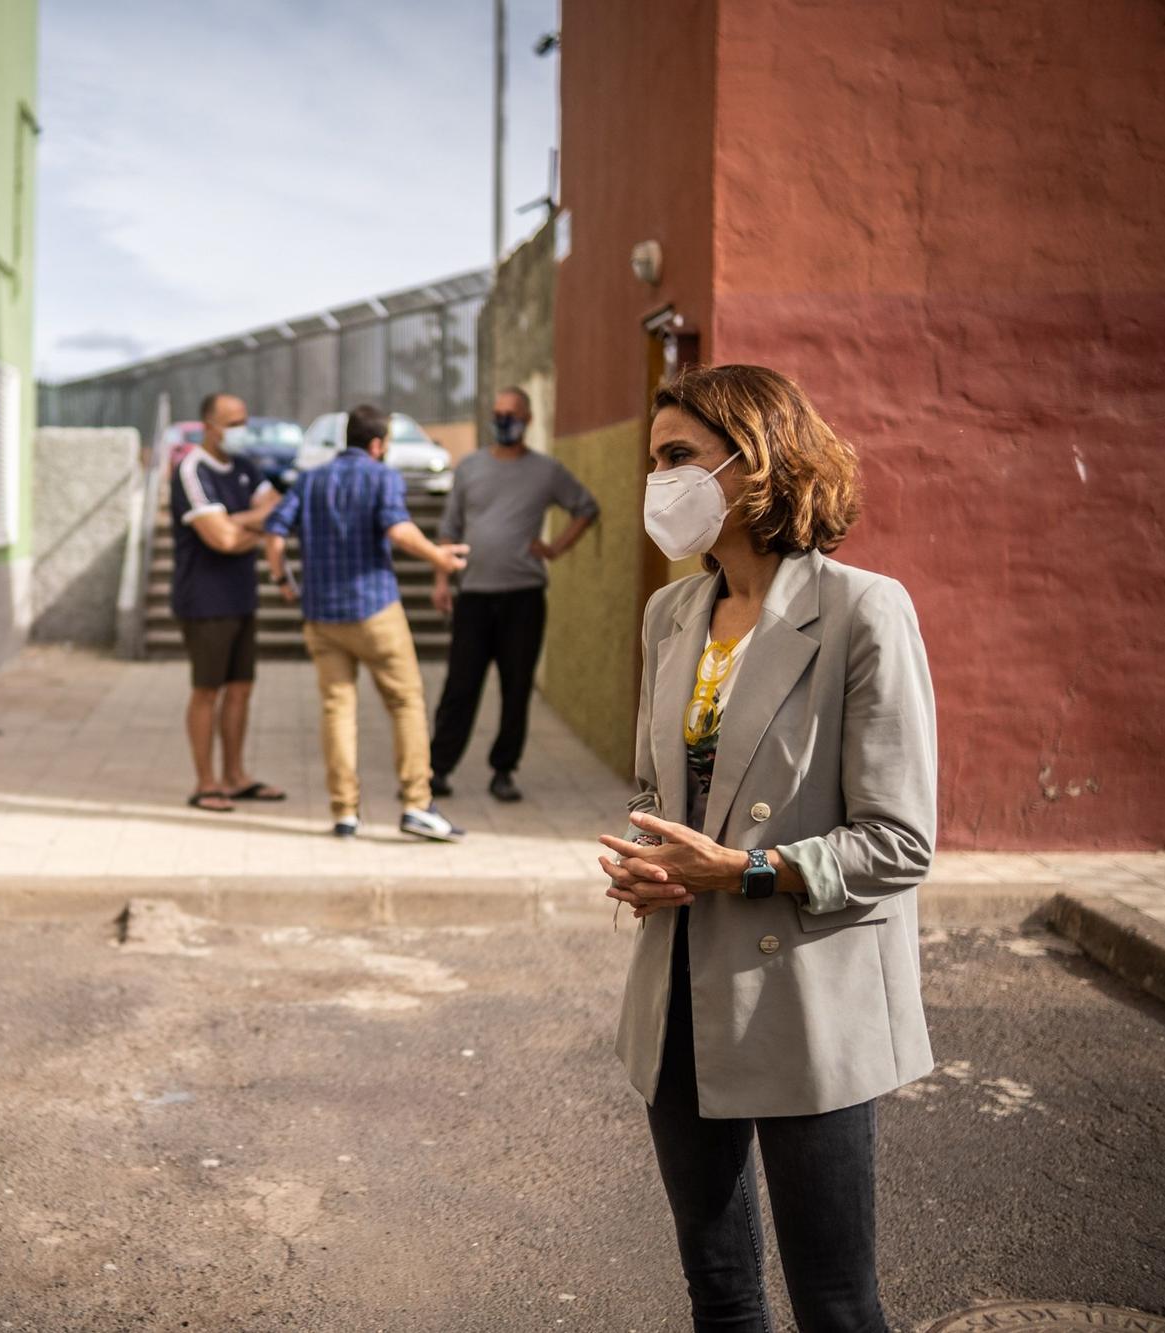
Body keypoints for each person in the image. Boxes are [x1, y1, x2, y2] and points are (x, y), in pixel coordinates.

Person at [597, 365, 936, 1332]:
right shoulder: (673, 615)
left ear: (760, 462)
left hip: (806, 994)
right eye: (653, 461)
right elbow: (658, 789)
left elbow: (900, 840)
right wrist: (646, 857)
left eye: (677, 459)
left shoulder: (864, 609)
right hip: (677, 1002)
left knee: (834, 1301)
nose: (658, 481)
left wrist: (748, 869)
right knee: (721, 1290)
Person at [263, 404, 469, 841]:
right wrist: (438, 556)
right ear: (377, 444)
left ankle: (344, 813)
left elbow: (274, 534)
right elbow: (397, 529)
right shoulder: (382, 477)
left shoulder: (310, 479)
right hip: (375, 610)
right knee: (405, 702)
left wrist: (283, 579)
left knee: (338, 709)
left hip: (320, 615)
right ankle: (416, 804)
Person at [429, 386, 599, 803]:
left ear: (528, 420)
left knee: (516, 687)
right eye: (498, 412)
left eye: (512, 414)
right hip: (473, 596)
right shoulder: (469, 468)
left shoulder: (545, 471)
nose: (504, 420)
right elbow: (448, 530)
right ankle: (437, 769)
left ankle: (503, 770)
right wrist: (439, 581)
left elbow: (586, 507)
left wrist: (555, 549)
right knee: (460, 686)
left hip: (523, 597)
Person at [171, 391, 286, 812]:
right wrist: (249, 527)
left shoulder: (245, 467)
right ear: (209, 426)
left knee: (240, 689)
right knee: (207, 691)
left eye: (244, 421)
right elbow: (218, 540)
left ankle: (236, 777)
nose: (241, 430)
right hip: (204, 601)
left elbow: (277, 507)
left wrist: (235, 521)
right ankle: (207, 783)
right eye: (232, 423)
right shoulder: (191, 470)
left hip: (241, 596)